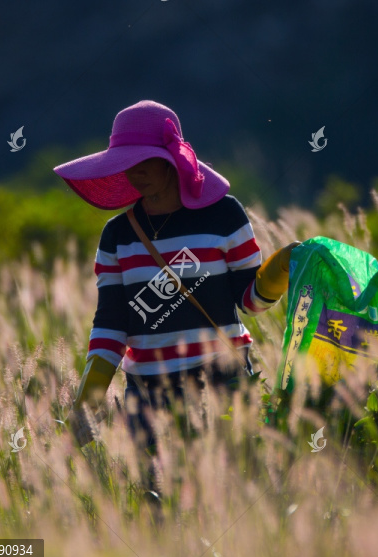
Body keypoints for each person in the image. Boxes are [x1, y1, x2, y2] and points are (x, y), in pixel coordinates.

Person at [53, 100, 297, 459]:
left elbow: (250, 301)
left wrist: (283, 265)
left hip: (221, 384)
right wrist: (87, 402)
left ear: (172, 159)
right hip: (148, 396)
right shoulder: (117, 236)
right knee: (157, 501)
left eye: (144, 159)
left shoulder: (224, 216)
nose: (134, 171)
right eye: (126, 161)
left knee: (232, 484)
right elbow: (110, 325)